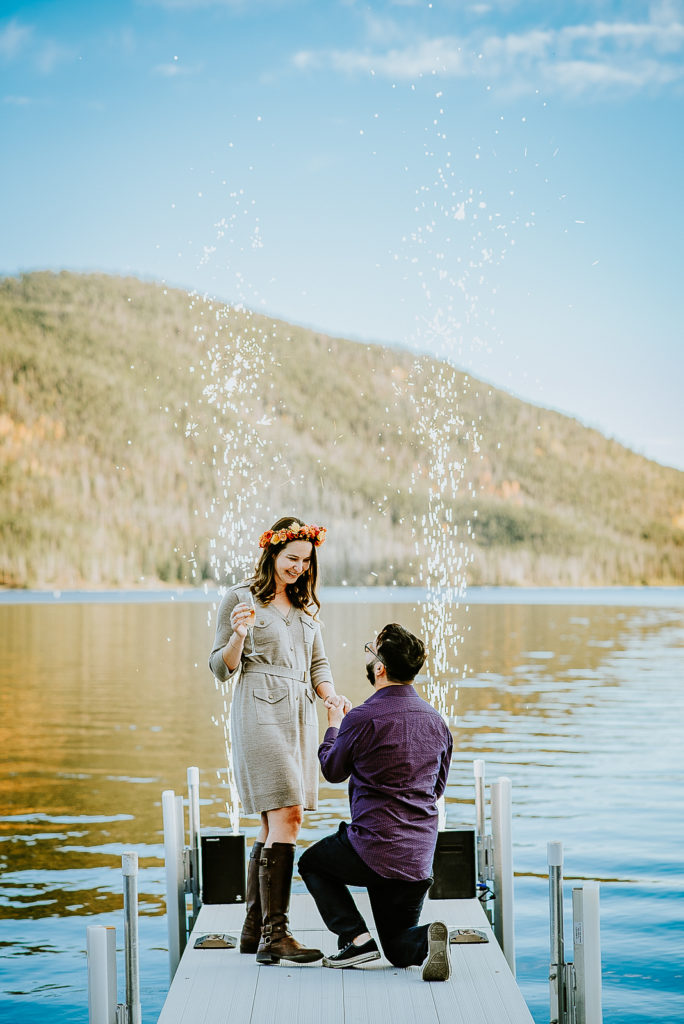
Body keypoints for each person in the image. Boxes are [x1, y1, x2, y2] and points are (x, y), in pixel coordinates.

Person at [209, 516, 350, 966]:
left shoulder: (307, 609)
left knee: (272, 826)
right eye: (292, 559)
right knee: (288, 814)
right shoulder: (240, 599)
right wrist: (238, 635)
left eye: (306, 562)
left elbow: (319, 666)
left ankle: (253, 931)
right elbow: (220, 668)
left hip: (300, 718)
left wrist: (331, 697)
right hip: (258, 712)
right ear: (271, 553)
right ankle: (277, 935)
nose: (299, 569)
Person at [298, 622, 454, 981]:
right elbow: (437, 788)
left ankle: (356, 939)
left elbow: (332, 769)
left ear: (380, 668)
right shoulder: (437, 722)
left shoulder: (362, 717)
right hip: (417, 860)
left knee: (312, 863)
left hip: (374, 850)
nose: (369, 657)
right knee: (399, 950)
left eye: (371, 651)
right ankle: (428, 941)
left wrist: (334, 724)